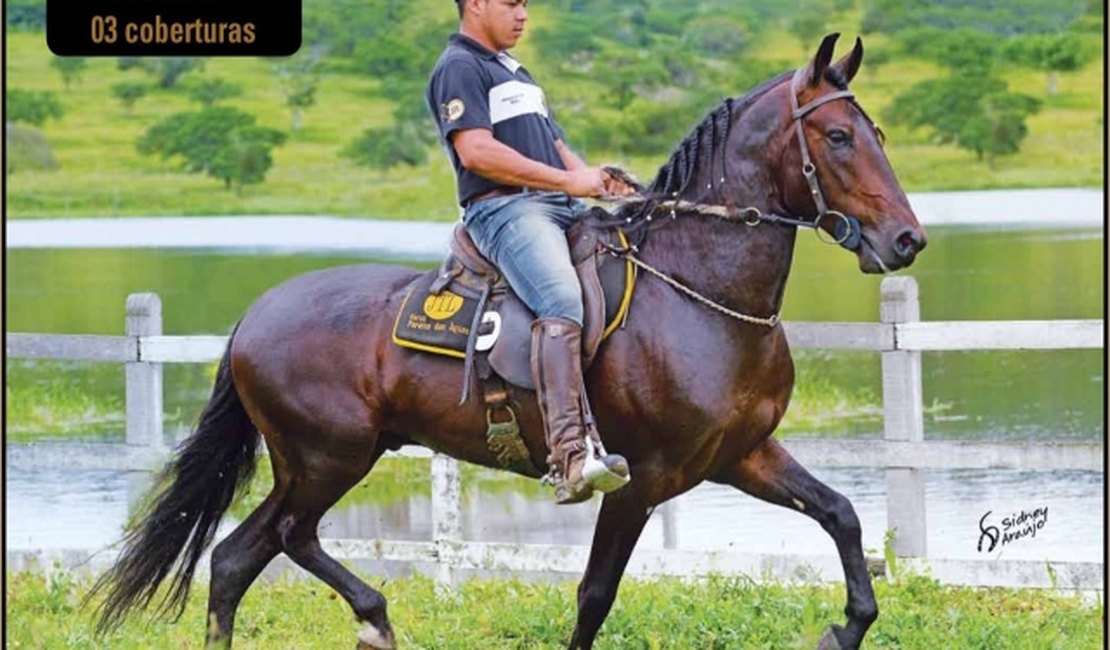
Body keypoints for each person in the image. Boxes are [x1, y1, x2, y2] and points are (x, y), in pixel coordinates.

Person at [426, 0, 633, 504]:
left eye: (526, 5)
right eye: (511, 2)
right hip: (506, 212)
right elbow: (476, 152)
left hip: (559, 204)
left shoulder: (515, 71)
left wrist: (596, 183)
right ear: (475, 4)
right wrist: (568, 181)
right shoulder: (460, 66)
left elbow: (557, 147)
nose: (523, 14)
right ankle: (570, 456)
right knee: (562, 298)